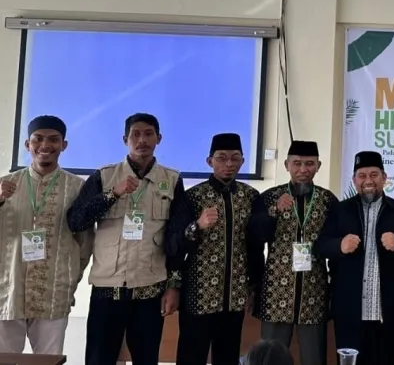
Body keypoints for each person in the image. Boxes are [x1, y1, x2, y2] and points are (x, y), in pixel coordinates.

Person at [67, 113, 184, 365]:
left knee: (146, 359)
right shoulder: (104, 176)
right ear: (125, 140)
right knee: (99, 359)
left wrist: (174, 286)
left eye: (149, 134)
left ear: (159, 138)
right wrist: (113, 194)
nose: (142, 140)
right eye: (136, 135)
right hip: (107, 290)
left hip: (150, 290)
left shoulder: (172, 180)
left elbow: (176, 238)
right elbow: (76, 220)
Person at [315, 151, 394, 365]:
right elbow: (320, 246)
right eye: (362, 175)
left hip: (389, 312)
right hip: (349, 312)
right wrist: (339, 245)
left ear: (384, 178)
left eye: (374, 175)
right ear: (354, 180)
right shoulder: (340, 210)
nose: (368, 181)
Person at [167, 133, 264, 365]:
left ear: (242, 161)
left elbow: (255, 247)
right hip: (197, 295)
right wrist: (198, 225)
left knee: (228, 357)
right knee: (191, 356)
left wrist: (254, 286)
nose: (228, 163)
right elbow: (174, 244)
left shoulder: (251, 197)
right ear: (209, 161)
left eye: (235, 158)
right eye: (221, 158)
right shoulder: (193, 197)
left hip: (234, 297)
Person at [0, 116, 94, 354]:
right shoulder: (5, 185)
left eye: (53, 139)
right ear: (27, 144)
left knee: (49, 361)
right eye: (38, 139)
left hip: (53, 291)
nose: (45, 145)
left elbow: (85, 242)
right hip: (8, 290)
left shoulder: (77, 188)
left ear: (63, 145)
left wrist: (70, 279)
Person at [249, 140, 338, 365]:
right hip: (277, 291)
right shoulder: (270, 197)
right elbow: (255, 236)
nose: (303, 169)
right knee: (270, 357)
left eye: (309, 164)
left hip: (314, 291)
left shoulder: (328, 200)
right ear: (286, 165)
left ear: (318, 166)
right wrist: (274, 211)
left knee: (314, 357)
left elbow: (335, 244)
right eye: (297, 163)